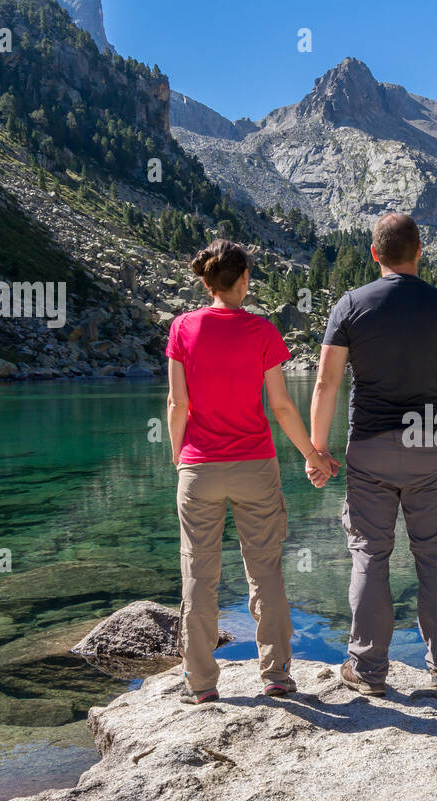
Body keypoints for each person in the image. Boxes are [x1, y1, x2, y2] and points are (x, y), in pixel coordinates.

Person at [308, 213, 437, 696]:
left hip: (369, 447)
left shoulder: (350, 305)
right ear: (419, 252)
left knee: (371, 554)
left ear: (375, 255)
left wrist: (318, 449)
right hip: (427, 445)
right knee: (435, 557)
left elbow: (327, 382)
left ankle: (368, 670)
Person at [166, 238, 339, 704]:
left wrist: (180, 457)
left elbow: (177, 404)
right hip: (255, 467)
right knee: (265, 572)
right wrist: (312, 455)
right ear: (244, 281)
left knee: (198, 574)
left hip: (199, 467)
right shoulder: (262, 332)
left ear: (206, 281)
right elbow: (281, 407)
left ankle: (200, 685)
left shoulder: (182, 328)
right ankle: (277, 675)